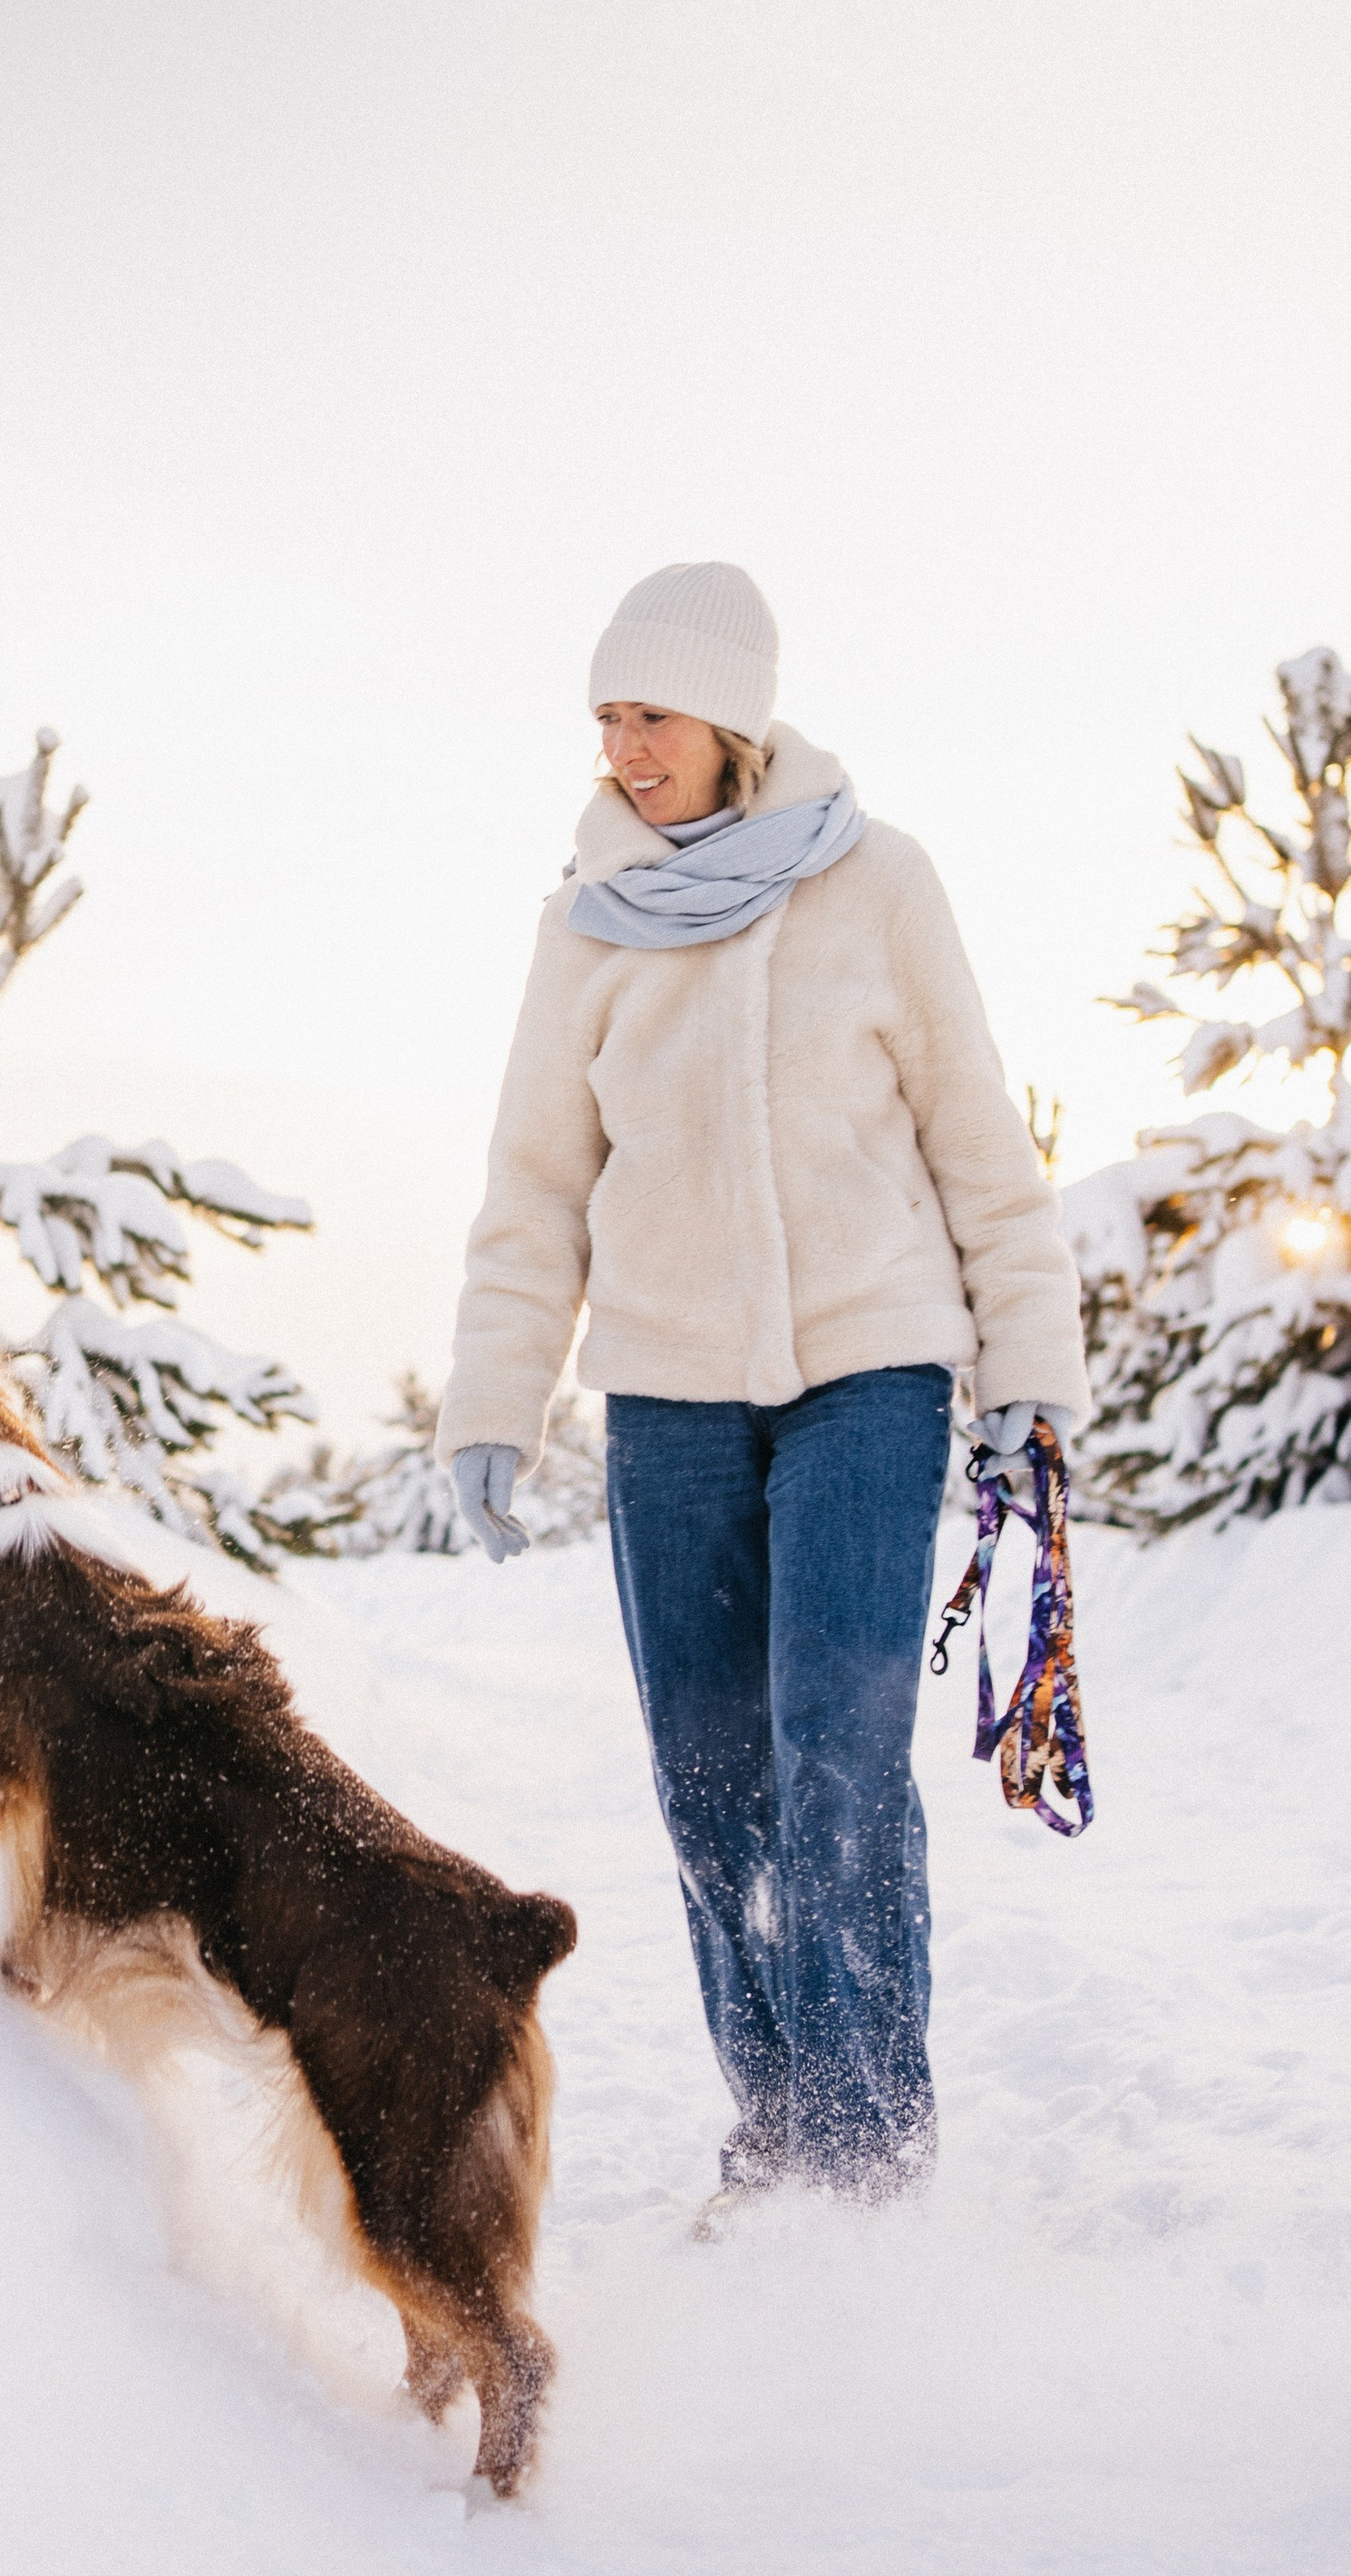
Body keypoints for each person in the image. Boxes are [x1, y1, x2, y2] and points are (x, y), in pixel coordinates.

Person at [435, 560, 1087, 2226]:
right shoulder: (583, 921)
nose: (622, 746)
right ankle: (783, 2130)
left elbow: (977, 1143)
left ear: (732, 718)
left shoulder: (879, 884)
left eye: (649, 713)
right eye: (605, 718)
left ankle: (866, 2160)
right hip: (667, 1399)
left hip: (870, 1378)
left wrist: (1027, 1365)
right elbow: (533, 1185)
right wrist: (494, 1401)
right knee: (710, 1778)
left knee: (840, 1756)